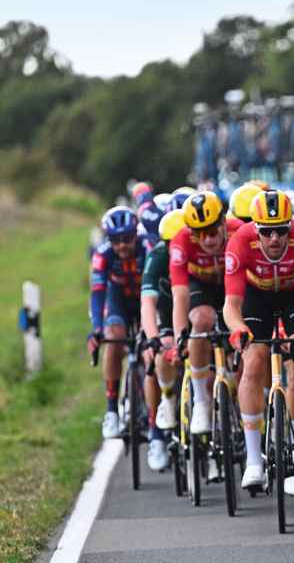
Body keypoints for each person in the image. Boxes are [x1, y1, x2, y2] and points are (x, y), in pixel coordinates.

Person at [223, 190, 294, 494]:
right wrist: (238, 330)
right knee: (253, 360)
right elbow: (231, 305)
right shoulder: (240, 242)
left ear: (290, 226)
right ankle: (254, 459)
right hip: (256, 299)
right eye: (266, 232)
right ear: (256, 229)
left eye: (281, 231)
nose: (274, 238)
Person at [169, 191, 243, 437]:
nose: (208, 240)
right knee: (201, 320)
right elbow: (180, 295)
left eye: (212, 231)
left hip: (233, 286)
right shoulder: (181, 241)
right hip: (200, 286)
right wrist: (180, 336)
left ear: (223, 222)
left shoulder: (238, 231)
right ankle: (201, 400)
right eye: (199, 234)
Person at [88, 207, 151, 439]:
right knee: (113, 339)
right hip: (118, 301)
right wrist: (97, 329)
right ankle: (112, 411)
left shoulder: (147, 247)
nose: (122, 245)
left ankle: (157, 413)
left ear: (136, 234)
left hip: (146, 299)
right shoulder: (103, 254)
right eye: (116, 240)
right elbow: (97, 294)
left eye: (127, 238)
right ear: (108, 239)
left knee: (150, 346)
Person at [139, 209, 185, 471]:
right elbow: (147, 303)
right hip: (167, 310)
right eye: (170, 244)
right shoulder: (157, 256)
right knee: (159, 354)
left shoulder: (200, 250)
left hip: (195, 305)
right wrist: (153, 337)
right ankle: (166, 399)